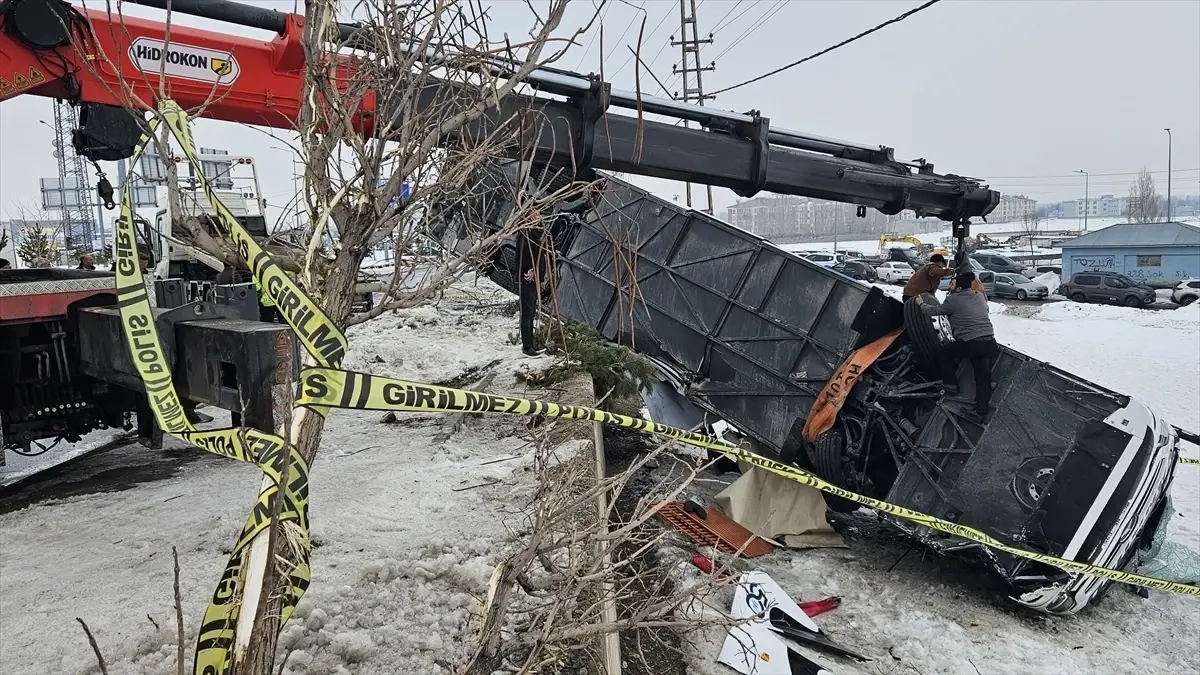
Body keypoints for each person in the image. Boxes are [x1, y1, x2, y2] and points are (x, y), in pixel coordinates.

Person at [915, 271, 997, 421]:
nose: (949, 287)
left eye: (952, 284)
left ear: (958, 288)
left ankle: (950, 385)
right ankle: (980, 412)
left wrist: (921, 303)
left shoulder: (953, 300)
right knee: (983, 378)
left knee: (945, 352)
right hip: (990, 342)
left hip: (971, 343)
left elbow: (933, 311)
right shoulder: (978, 296)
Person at [516, 223, 551, 357]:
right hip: (528, 277)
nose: (538, 215)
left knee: (530, 312)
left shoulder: (536, 232)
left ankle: (530, 344)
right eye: (535, 213)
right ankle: (527, 347)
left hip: (534, 276)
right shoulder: (526, 232)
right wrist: (531, 269)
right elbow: (525, 254)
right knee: (527, 311)